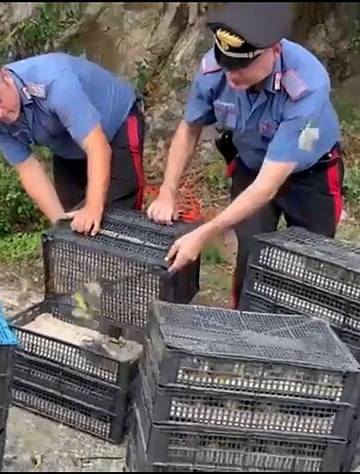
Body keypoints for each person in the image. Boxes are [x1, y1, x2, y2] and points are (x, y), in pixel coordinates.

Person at [148, 2, 346, 308]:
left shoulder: (306, 85)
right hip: (251, 164)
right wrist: (167, 192)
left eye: (240, 67)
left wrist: (203, 235)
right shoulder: (215, 72)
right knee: (251, 251)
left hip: (311, 172)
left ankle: (298, 333)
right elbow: (189, 129)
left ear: (274, 52)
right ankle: (242, 324)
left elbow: (268, 185)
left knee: (311, 258)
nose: (231, 77)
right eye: (225, 64)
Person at [0, 43, 147, 236]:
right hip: (66, 142)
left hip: (116, 122)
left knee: (118, 208)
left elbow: (97, 147)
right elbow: (28, 169)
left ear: (6, 76)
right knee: (70, 214)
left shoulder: (54, 82)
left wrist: (94, 208)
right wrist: (59, 225)